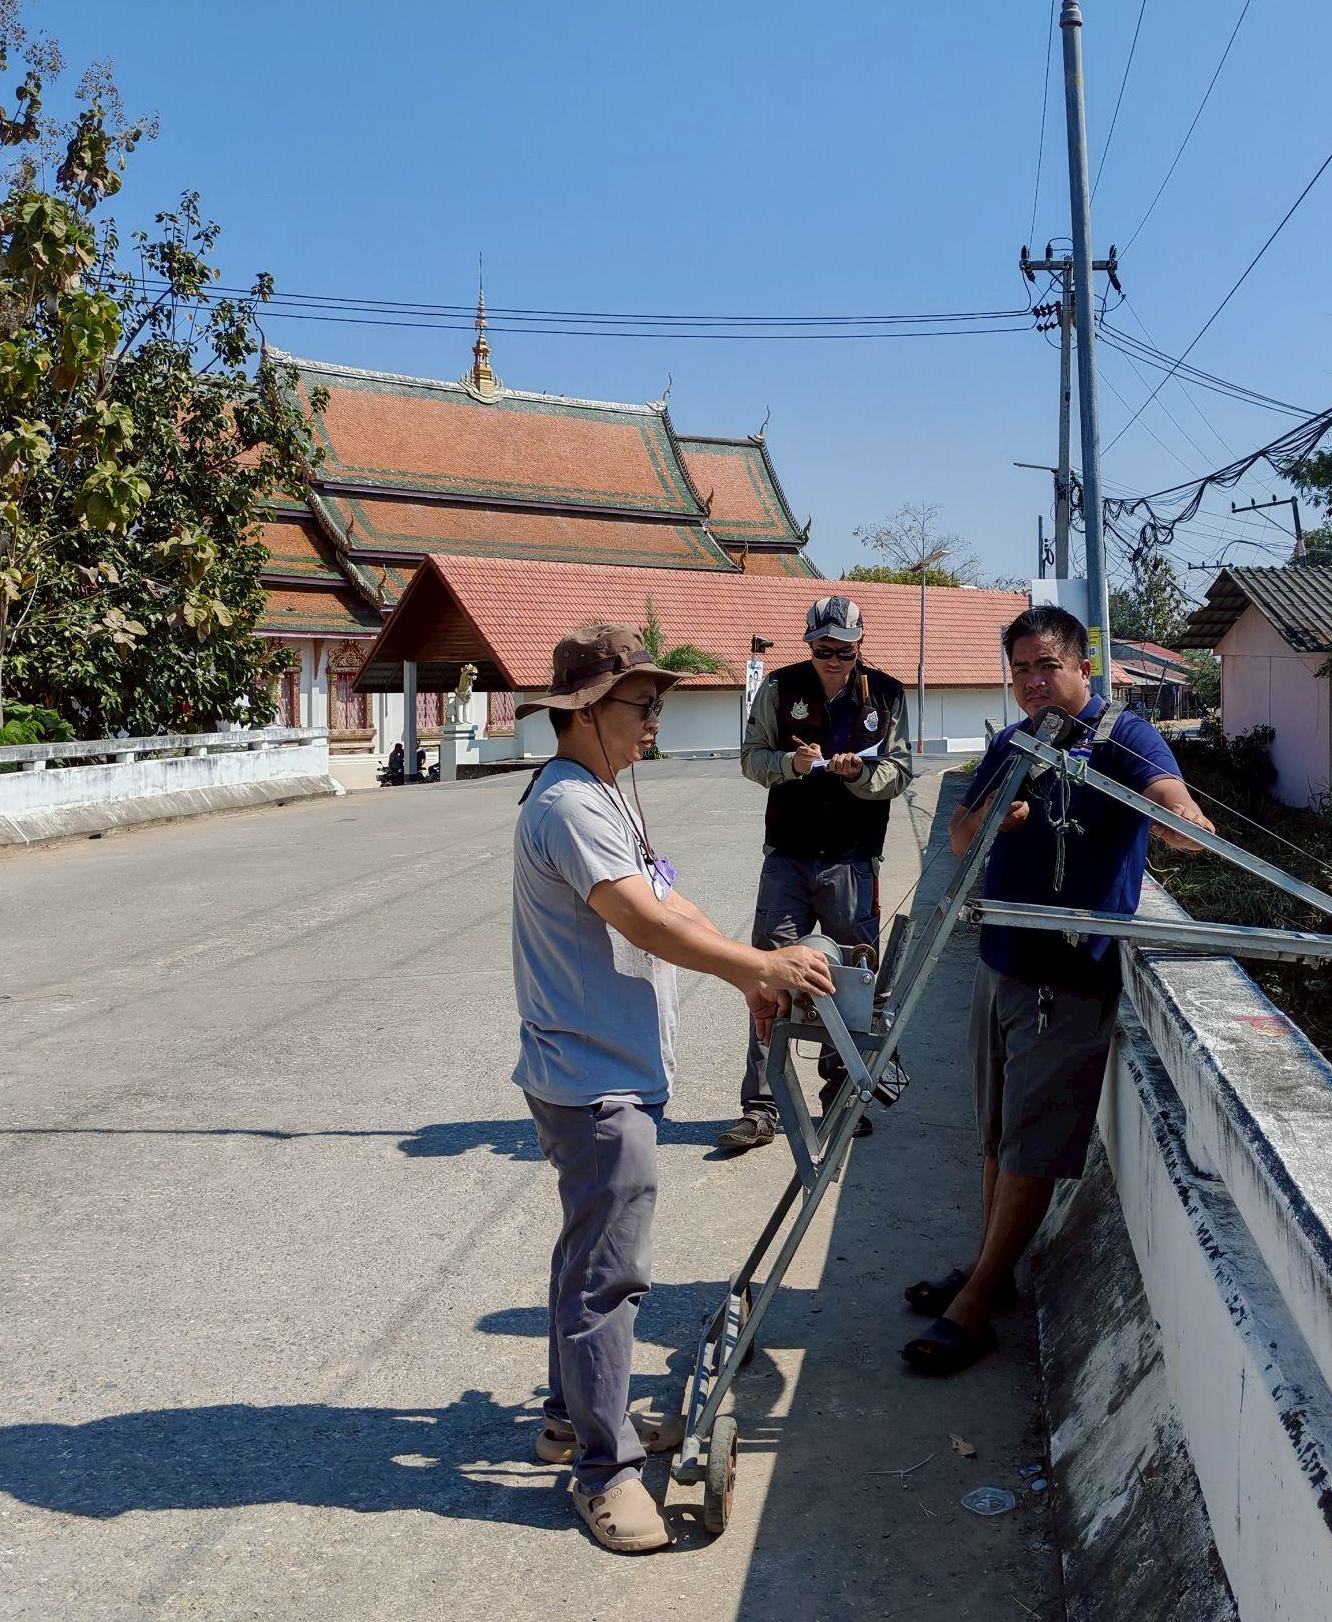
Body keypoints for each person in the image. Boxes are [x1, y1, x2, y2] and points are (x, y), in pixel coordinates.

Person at [511, 622, 835, 1552]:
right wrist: (756, 965)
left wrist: (747, 969)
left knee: (587, 1252)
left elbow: (669, 897)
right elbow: (641, 921)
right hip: (591, 1076)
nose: (654, 721)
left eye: (657, 705)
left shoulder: (606, 795)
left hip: (608, 1064)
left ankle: (573, 1416)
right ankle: (604, 1471)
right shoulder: (570, 805)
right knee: (608, 1274)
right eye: (642, 705)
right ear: (586, 710)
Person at [901, 604, 1214, 1376]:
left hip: (1067, 977)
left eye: (1048, 665)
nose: (1034, 681)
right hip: (1000, 963)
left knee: (1031, 1145)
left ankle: (975, 1303)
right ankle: (991, 1268)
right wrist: (995, 817)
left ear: (1082, 665)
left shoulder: (1124, 737)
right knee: (998, 1135)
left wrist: (1180, 820)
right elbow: (961, 837)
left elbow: (1172, 803)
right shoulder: (1013, 741)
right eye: (1021, 669)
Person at [715, 593, 913, 1154]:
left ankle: (842, 1096)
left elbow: (900, 771)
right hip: (788, 854)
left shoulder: (887, 694)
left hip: (853, 857)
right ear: (809, 646)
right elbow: (751, 757)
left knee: (849, 978)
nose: (834, 661)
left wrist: (858, 776)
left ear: (859, 646)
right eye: (824, 650)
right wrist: (791, 764)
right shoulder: (780, 688)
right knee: (768, 972)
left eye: (845, 651)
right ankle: (761, 1106)